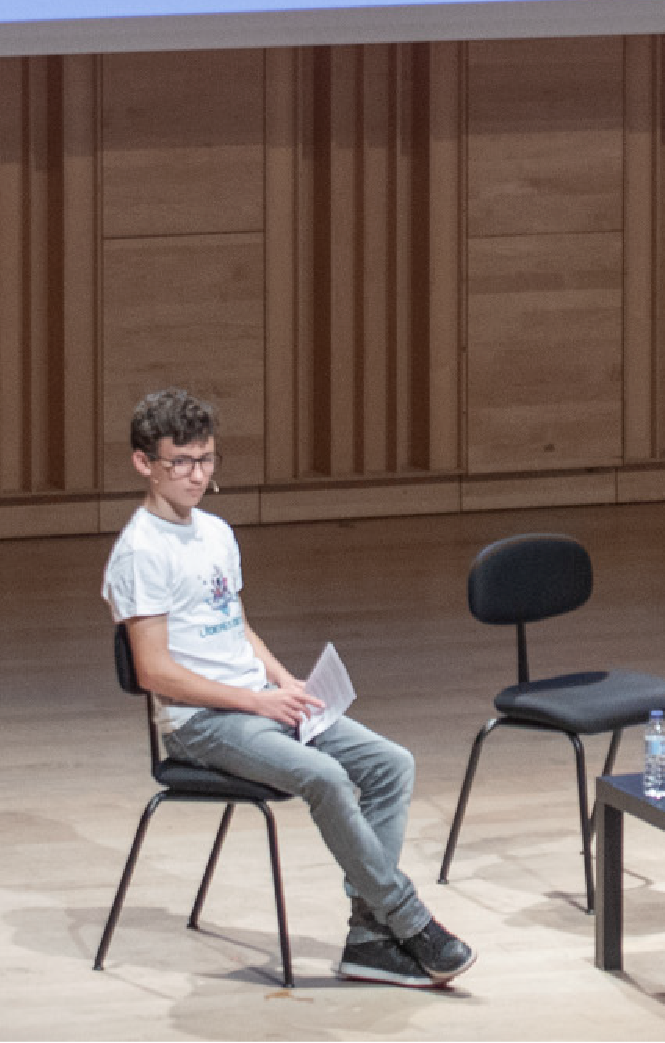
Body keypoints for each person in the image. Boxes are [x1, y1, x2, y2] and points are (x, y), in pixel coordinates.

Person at [102, 388, 475, 986]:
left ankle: (367, 939)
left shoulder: (217, 532)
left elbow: (236, 624)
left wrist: (283, 679)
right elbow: (153, 672)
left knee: (390, 764)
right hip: (201, 725)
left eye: (206, 460)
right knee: (326, 779)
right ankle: (406, 920)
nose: (196, 476)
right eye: (181, 463)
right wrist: (257, 700)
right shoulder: (139, 554)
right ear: (144, 463)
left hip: (259, 704)